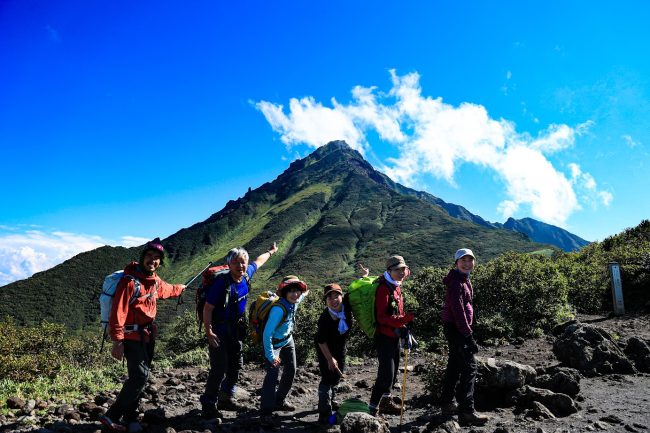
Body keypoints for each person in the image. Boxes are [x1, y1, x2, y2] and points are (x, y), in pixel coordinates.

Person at [99, 238, 186, 433]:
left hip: (147, 336)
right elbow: (118, 313)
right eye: (149, 256)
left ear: (159, 262)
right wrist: (117, 341)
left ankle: (131, 418)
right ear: (142, 258)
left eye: (157, 258)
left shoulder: (154, 282)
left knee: (139, 377)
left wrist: (181, 288)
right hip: (131, 337)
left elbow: (169, 290)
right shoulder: (129, 282)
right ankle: (111, 416)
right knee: (140, 376)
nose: (152, 261)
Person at [200, 243, 278, 419]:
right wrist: (209, 332)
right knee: (218, 369)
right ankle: (208, 404)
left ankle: (225, 397)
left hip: (236, 330)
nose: (240, 266)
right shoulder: (221, 283)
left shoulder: (246, 276)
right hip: (219, 330)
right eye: (236, 262)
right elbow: (207, 309)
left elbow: (259, 261)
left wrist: (271, 252)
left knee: (235, 366)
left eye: (243, 262)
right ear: (229, 264)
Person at [439, 248, 489, 426]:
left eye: (470, 260)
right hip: (457, 329)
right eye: (463, 260)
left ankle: (447, 403)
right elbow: (458, 310)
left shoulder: (462, 278)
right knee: (470, 366)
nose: (467, 263)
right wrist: (468, 335)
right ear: (456, 263)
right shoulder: (456, 282)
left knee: (454, 364)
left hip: (455, 328)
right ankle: (467, 411)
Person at [259, 275, 309, 432]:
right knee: (272, 376)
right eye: (291, 291)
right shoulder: (278, 310)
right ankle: (266, 413)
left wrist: (305, 292)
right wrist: (271, 356)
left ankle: (279, 401)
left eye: (297, 291)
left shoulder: (295, 301)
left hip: (288, 340)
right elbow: (267, 334)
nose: (295, 294)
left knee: (291, 369)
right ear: (285, 293)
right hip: (274, 345)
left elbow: (302, 296)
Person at [368, 255, 415, 416]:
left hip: (394, 336)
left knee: (393, 373)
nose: (402, 272)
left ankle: (386, 402)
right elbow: (382, 317)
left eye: (404, 269)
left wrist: (403, 325)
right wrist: (404, 319)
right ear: (389, 271)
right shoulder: (383, 288)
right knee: (385, 375)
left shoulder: (395, 285)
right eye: (397, 270)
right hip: (384, 337)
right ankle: (372, 408)